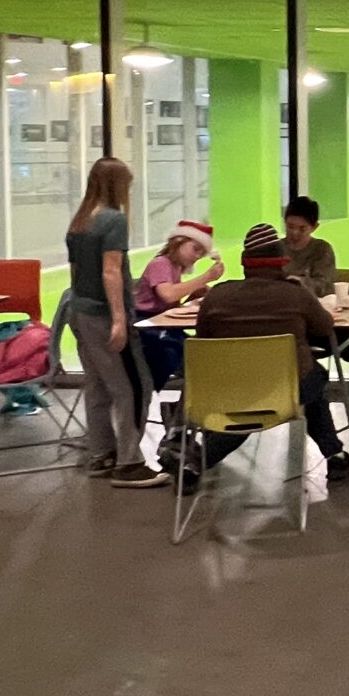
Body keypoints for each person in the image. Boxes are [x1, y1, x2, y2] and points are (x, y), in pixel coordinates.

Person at [191, 224, 349, 484]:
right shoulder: (294, 295)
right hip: (284, 392)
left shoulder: (217, 296)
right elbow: (324, 327)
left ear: (245, 263)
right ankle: (334, 455)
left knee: (248, 408)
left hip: (228, 390)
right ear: (282, 262)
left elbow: (203, 340)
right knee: (314, 378)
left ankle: (195, 461)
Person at [67, 157, 160, 487]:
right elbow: (110, 271)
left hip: (79, 312)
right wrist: (120, 319)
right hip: (104, 316)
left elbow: (77, 274)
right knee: (132, 387)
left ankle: (101, 454)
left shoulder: (79, 222)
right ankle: (129, 463)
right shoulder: (113, 221)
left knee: (96, 387)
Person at [132, 219, 221, 389]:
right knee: (173, 352)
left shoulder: (174, 267)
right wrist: (206, 277)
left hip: (159, 325)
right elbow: (167, 294)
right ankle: (151, 391)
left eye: (201, 254)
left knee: (199, 351)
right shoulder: (160, 264)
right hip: (146, 326)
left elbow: (170, 305)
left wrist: (192, 294)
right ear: (179, 241)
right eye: (196, 250)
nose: (197, 256)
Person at [282, 196, 340, 301]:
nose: (295, 233)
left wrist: (300, 282)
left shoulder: (322, 250)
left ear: (315, 227)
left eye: (302, 229)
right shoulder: (274, 248)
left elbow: (323, 286)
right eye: (290, 227)